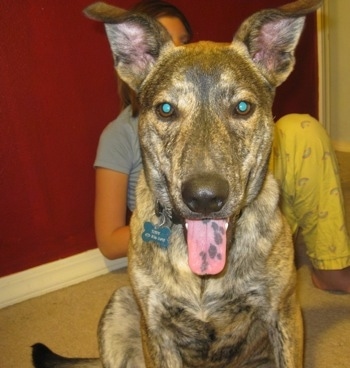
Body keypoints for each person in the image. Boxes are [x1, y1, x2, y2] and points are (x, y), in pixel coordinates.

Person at [94, 0, 350, 292]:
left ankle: (331, 264)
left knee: (303, 128)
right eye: (158, 48)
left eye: (183, 42)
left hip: (252, 220)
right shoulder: (117, 135)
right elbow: (108, 240)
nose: (180, 55)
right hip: (166, 232)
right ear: (138, 58)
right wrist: (163, 224)